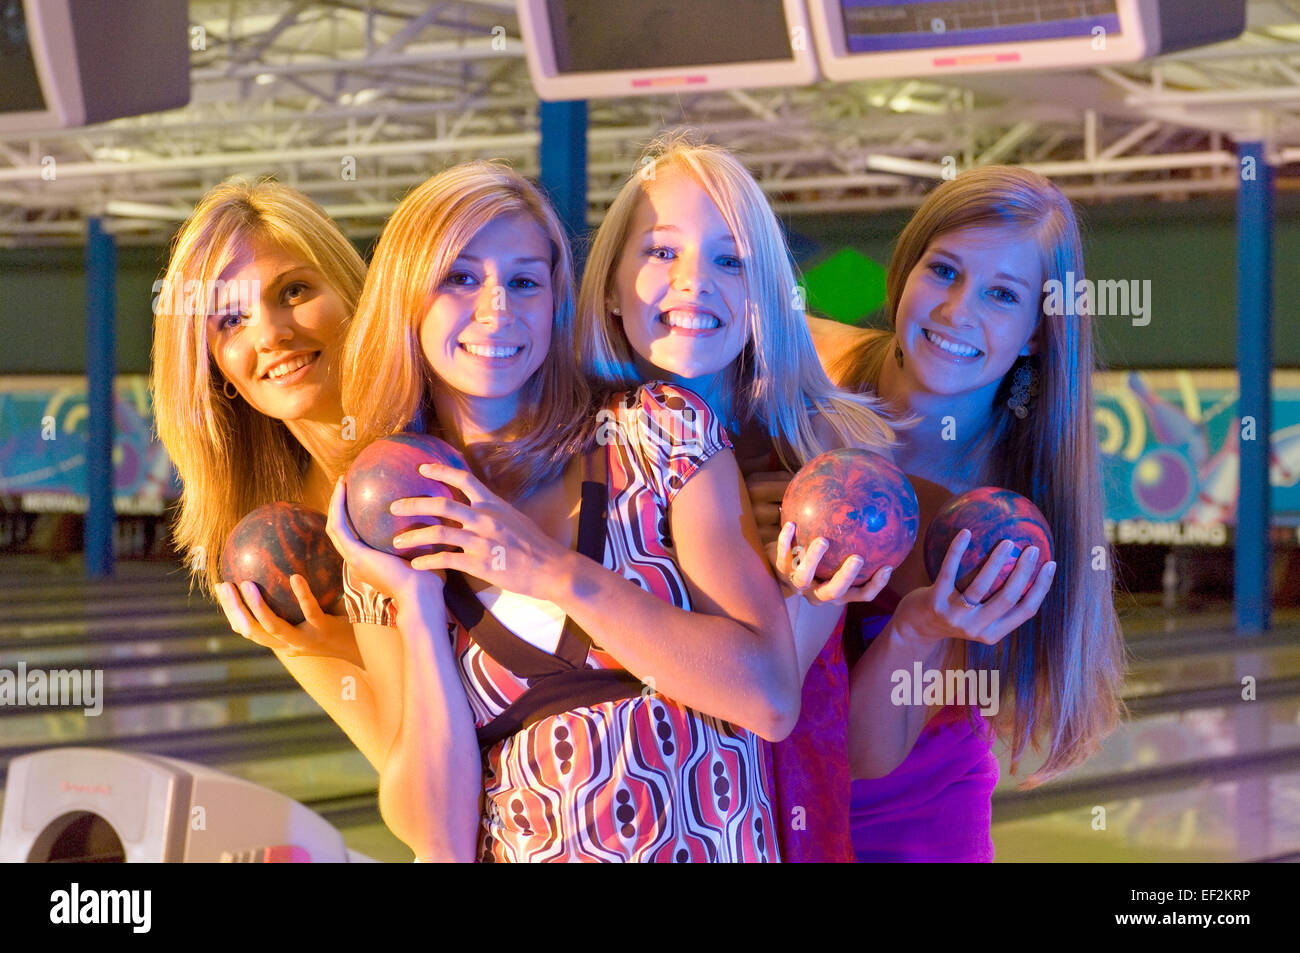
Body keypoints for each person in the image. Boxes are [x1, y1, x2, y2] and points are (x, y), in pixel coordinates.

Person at [574, 138, 1047, 862]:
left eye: (731, 260)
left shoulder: (832, 452)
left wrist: (819, 586)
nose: (694, 282)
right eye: (662, 252)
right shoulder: (564, 445)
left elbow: (776, 697)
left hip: (863, 817)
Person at [326, 160, 800, 862]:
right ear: (408, 297)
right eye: (460, 277)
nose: (497, 309)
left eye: (524, 280)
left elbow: (768, 697)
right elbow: (438, 838)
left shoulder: (659, 434)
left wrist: (552, 570)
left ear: (556, 300)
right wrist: (419, 605)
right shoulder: (391, 527)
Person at [806, 165, 1126, 861]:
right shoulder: (808, 364)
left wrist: (920, 625)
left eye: (1002, 294)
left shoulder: (992, 522)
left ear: (1038, 332)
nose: (957, 311)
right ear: (903, 271)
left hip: (906, 823)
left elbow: (866, 750)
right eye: (943, 270)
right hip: (755, 803)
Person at [149, 180, 397, 767]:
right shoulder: (283, 559)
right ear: (219, 372)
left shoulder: (459, 434)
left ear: (350, 295)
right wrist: (348, 645)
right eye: (231, 320)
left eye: (294, 290)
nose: (272, 333)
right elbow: (412, 771)